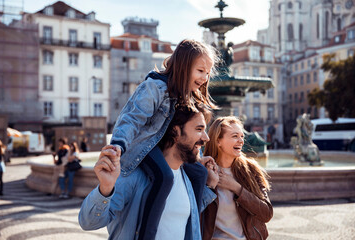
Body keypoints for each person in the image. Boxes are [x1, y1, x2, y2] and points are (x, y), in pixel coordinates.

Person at [109, 39, 220, 236]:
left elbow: (189, 133)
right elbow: (132, 119)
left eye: (207, 73)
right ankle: (147, 233)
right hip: (143, 147)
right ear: (184, 66)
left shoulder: (186, 94)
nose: (205, 77)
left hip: (166, 148)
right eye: (200, 71)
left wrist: (198, 156)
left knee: (200, 174)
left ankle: (191, 229)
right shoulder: (155, 87)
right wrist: (119, 144)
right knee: (164, 177)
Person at [79, 104, 217, 240]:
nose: (206, 138)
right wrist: (105, 188)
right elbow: (89, 222)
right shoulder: (134, 176)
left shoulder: (187, 177)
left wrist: (209, 187)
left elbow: (182, 216)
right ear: (175, 132)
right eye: (199, 129)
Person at [202, 116, 273, 240]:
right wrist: (209, 185)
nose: (241, 141)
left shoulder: (251, 170)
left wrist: (236, 188)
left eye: (242, 136)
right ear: (218, 141)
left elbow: (266, 213)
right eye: (235, 136)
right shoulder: (204, 171)